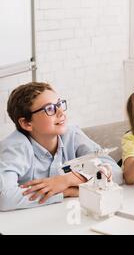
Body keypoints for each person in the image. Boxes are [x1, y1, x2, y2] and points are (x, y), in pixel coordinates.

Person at [0, 82, 123, 211]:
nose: (61, 113)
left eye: (59, 104)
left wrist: (67, 180)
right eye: (50, 109)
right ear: (26, 123)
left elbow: (117, 172)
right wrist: (66, 192)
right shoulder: (15, 147)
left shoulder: (72, 135)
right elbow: (5, 198)